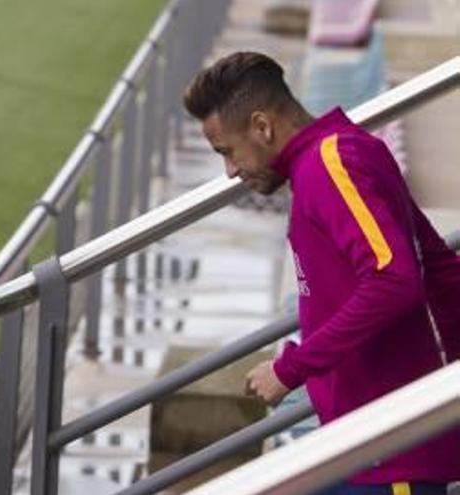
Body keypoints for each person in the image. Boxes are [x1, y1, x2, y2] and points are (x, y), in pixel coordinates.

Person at [183, 51, 460, 494]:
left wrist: (292, 367)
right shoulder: (333, 158)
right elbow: (440, 267)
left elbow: (396, 278)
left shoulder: (332, 165)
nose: (231, 170)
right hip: (360, 446)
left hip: (388, 458)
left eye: (228, 152)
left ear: (261, 126)